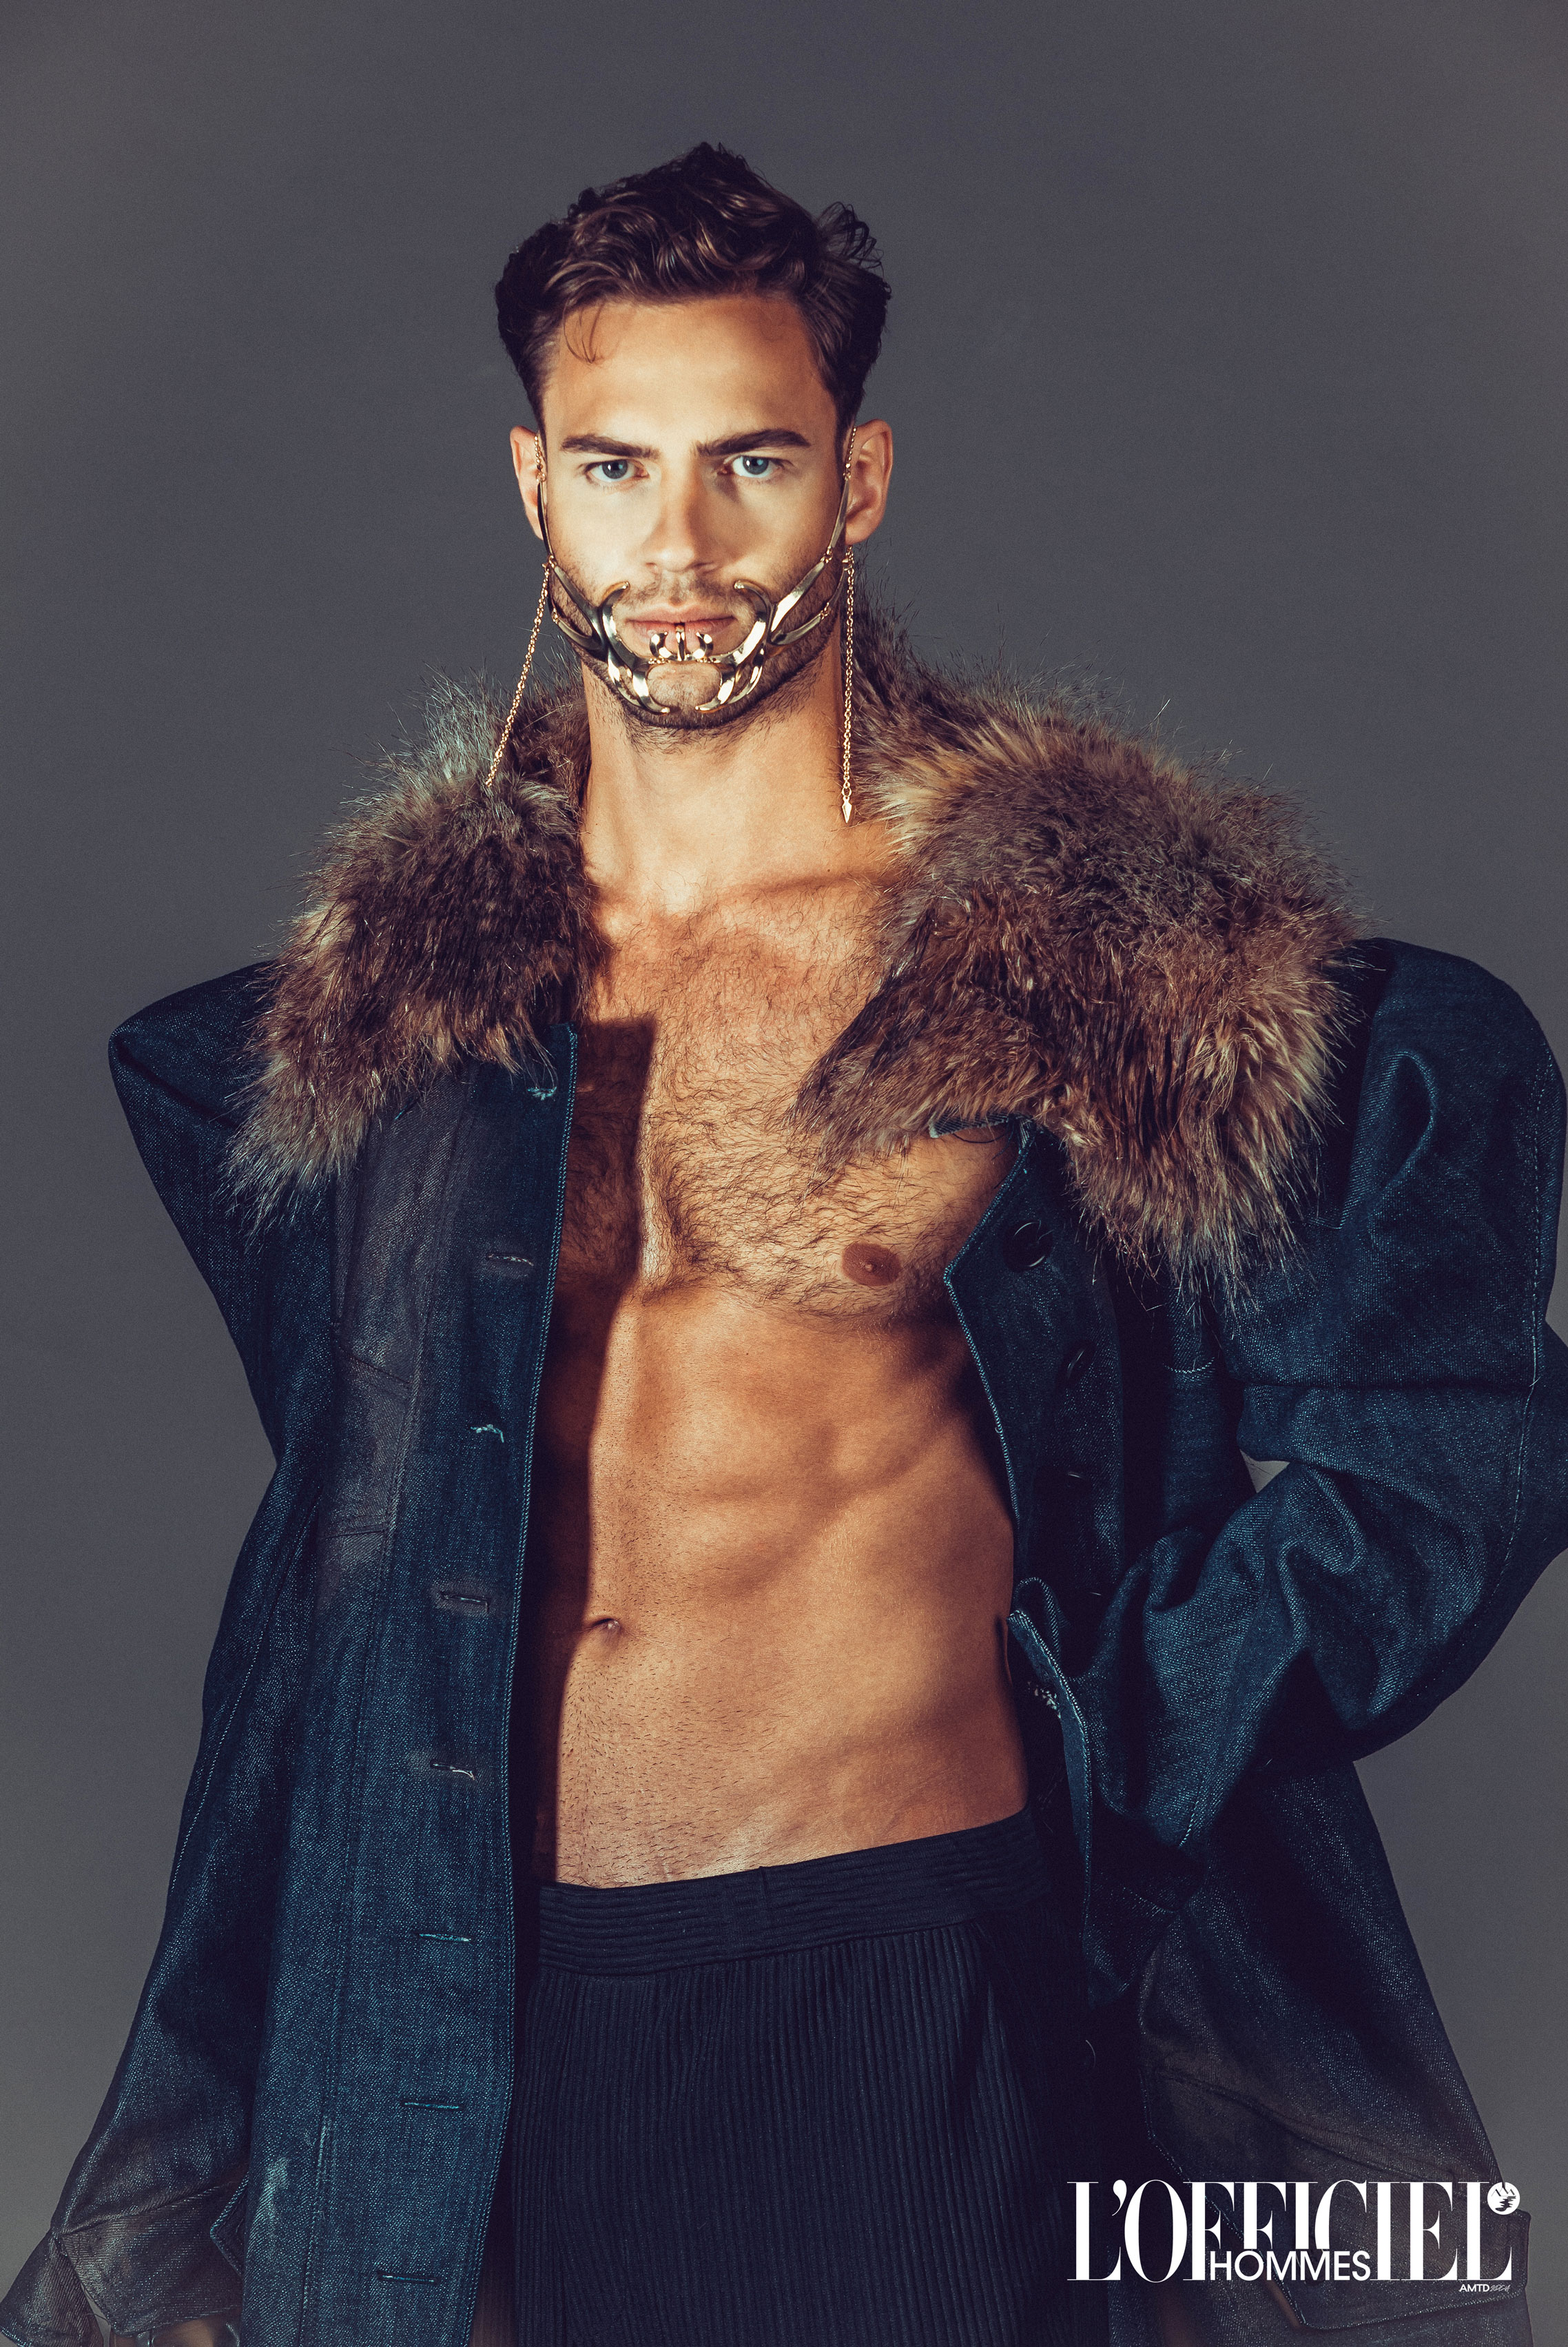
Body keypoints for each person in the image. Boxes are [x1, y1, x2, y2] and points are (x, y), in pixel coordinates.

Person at [5, 143, 1565, 2347]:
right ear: (536, 491)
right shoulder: (400, 1048)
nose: (679, 541)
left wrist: (1104, 1741)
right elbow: (334, 1614)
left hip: (906, 1973)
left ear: (857, 482)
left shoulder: (1064, 976)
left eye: (750, 460)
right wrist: (211, 2155)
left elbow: (1431, 1462)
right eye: (616, 468)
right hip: (479, 2021)